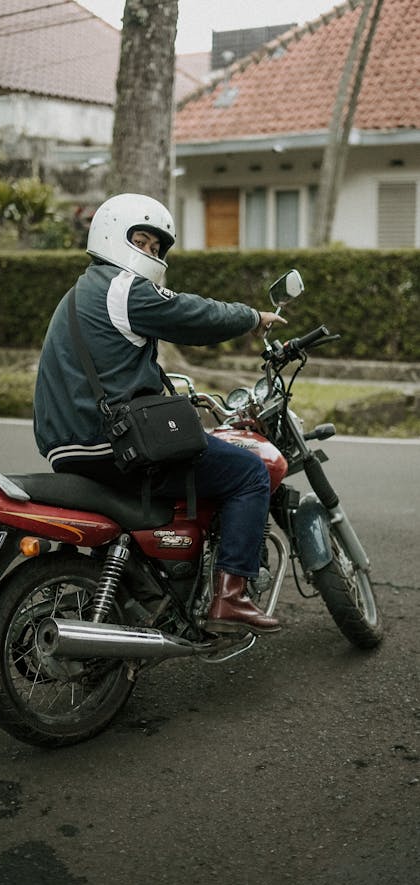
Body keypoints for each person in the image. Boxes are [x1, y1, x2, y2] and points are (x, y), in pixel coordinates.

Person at [33, 193, 287, 634]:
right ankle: (232, 598)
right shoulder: (121, 288)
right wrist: (251, 317)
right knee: (248, 473)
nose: (150, 253)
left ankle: (156, 586)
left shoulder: (76, 297)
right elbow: (193, 315)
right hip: (115, 445)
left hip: (67, 450)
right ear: (113, 233)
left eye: (156, 247)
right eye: (143, 241)